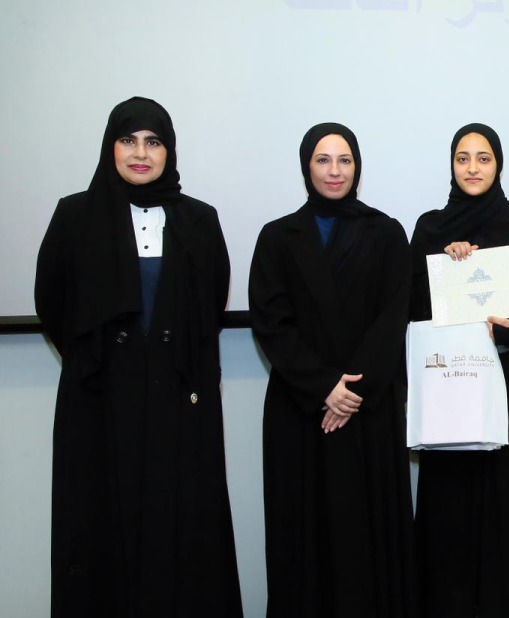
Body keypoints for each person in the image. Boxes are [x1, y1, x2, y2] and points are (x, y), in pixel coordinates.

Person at [34, 96, 242, 617]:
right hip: (101, 400)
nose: (141, 154)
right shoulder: (75, 215)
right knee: (102, 533)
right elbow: (51, 300)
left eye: (154, 142)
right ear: (111, 148)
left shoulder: (199, 219)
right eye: (128, 141)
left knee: (181, 534)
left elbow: (211, 300)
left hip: (179, 402)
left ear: (169, 151)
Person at [249, 123, 417, 617]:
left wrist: (351, 391)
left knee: (367, 535)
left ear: (357, 166)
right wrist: (325, 387)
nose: (334, 171)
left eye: (344, 160)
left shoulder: (386, 232)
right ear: (306, 166)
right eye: (323, 160)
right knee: (303, 534)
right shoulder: (278, 236)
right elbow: (270, 320)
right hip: (302, 411)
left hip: (367, 409)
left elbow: (394, 316)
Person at [408, 122, 509, 617]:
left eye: (483, 158)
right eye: (463, 158)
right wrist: (447, 263)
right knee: (452, 513)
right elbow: (412, 309)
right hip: (452, 395)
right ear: (451, 166)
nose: (472, 168)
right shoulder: (431, 228)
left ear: (498, 164)